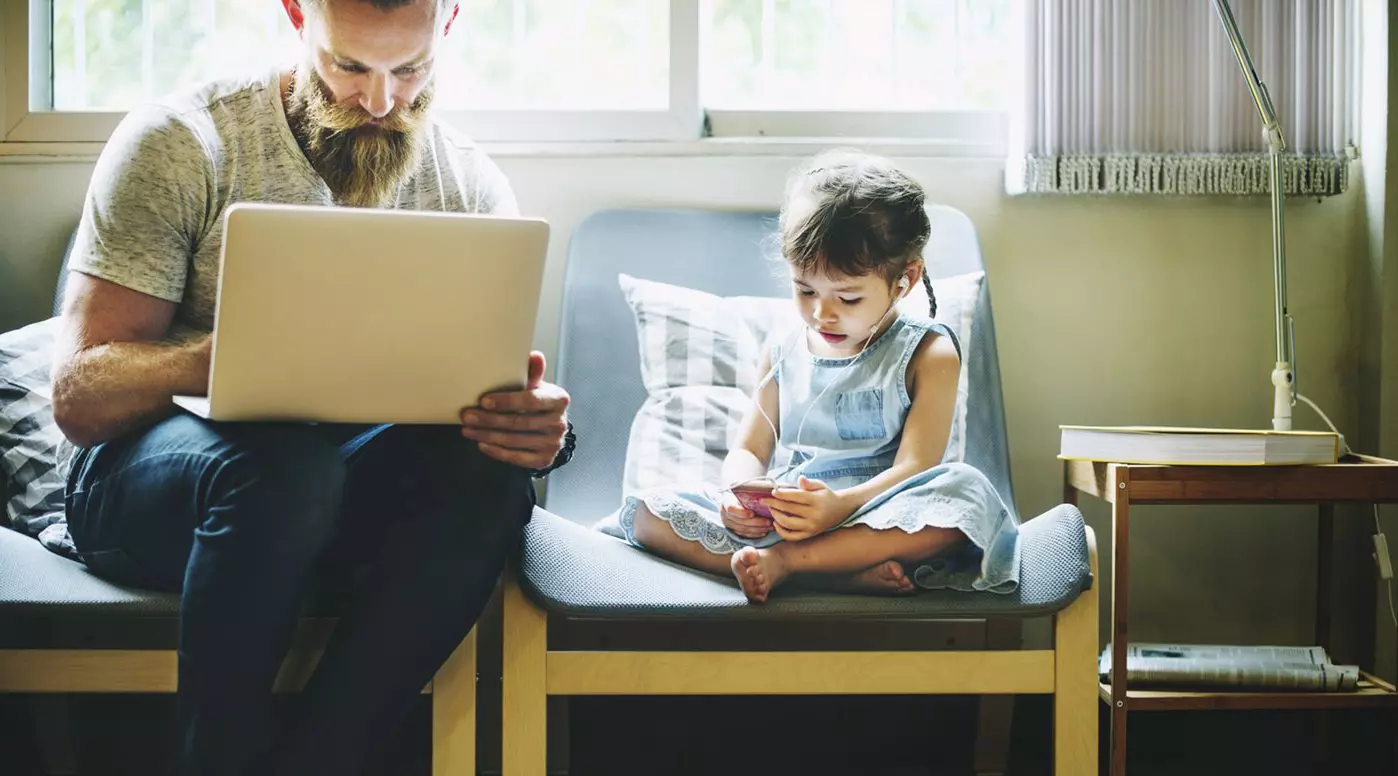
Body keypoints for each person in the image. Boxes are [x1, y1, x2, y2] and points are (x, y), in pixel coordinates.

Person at [47, 1, 574, 773]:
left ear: (450, 22)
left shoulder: (466, 185)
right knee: (284, 468)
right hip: (148, 493)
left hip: (330, 494)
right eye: (350, 67)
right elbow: (79, 399)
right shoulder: (182, 143)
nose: (383, 101)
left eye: (411, 69)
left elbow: (486, 394)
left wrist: (534, 432)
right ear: (297, 14)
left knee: (489, 481)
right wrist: (231, 355)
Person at [618, 149, 1019, 604]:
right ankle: (829, 574)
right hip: (792, 520)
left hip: (879, 517)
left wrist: (840, 507)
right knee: (649, 513)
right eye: (804, 289)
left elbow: (916, 468)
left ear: (904, 281)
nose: (821, 313)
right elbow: (749, 449)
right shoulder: (781, 350)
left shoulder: (929, 353)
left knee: (965, 494)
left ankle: (789, 566)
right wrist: (739, 496)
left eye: (847, 299)